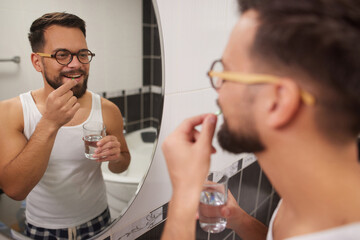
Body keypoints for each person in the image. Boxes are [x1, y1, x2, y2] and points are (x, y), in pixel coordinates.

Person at [161, 0, 360, 239]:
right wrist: (240, 219)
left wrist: (183, 197)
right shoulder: (307, 197)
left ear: (277, 102)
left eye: (224, 73)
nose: (218, 90)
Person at [0, 12, 131, 239]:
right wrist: (50, 122)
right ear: (37, 61)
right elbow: (15, 190)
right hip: (43, 228)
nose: (76, 65)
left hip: (99, 220)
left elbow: (122, 164)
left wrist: (116, 156)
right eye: (62, 55)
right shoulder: (12, 112)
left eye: (82, 54)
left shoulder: (108, 110)